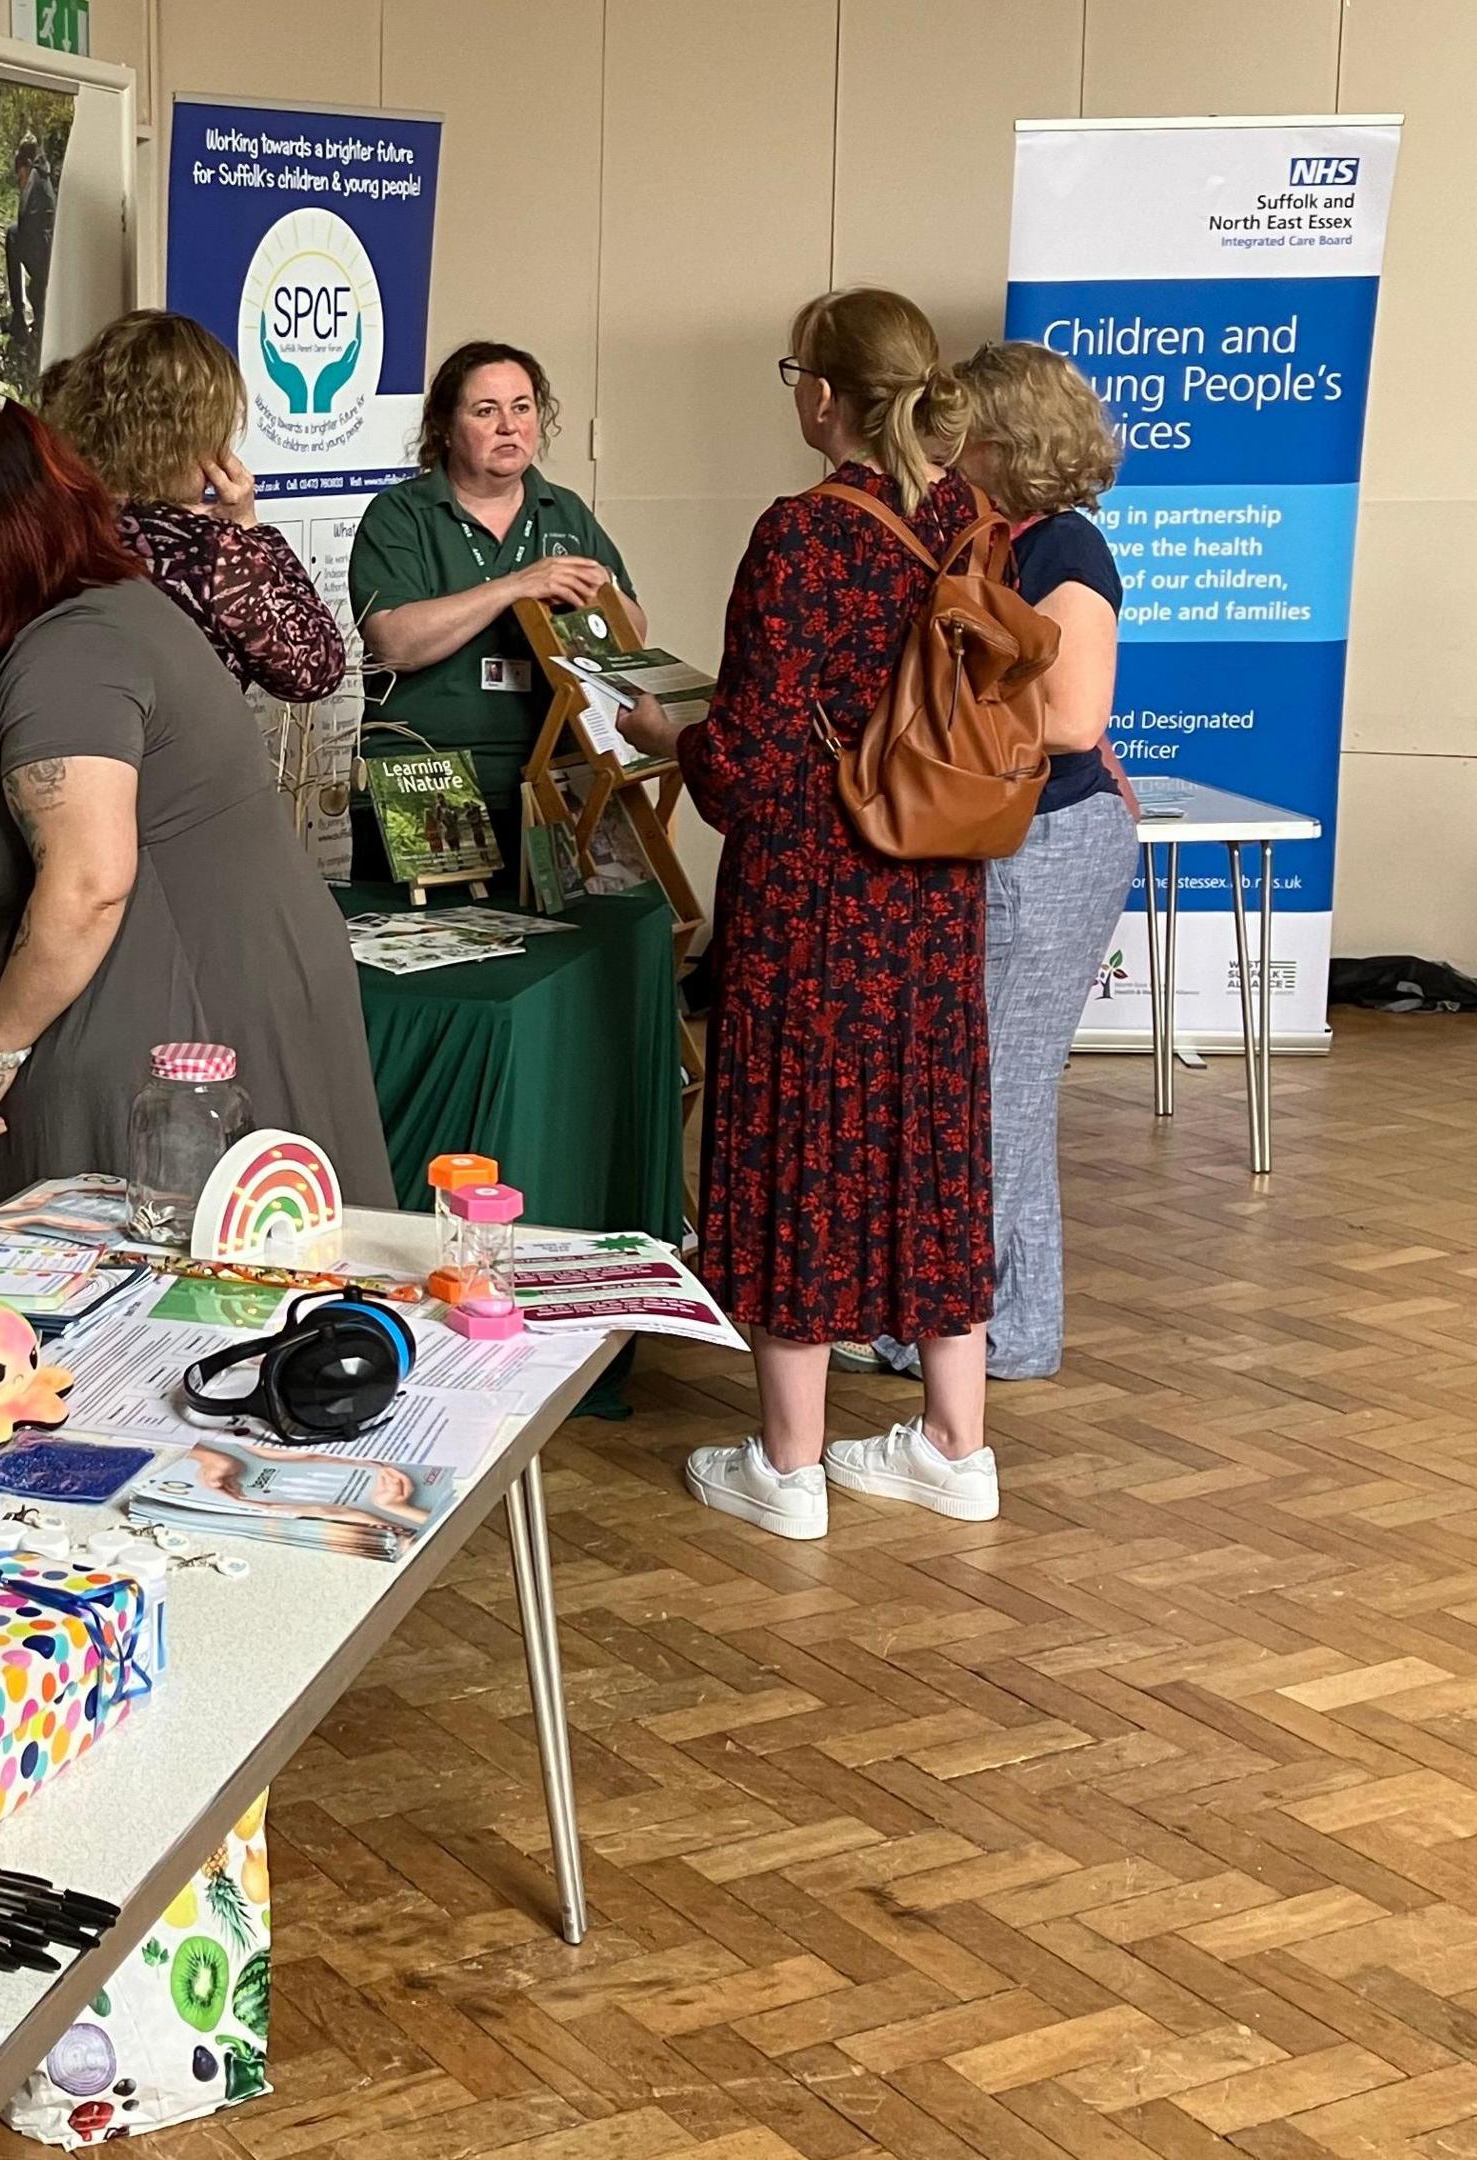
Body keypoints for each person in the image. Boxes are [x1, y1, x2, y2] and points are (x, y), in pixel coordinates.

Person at [0, 387, 392, 1204]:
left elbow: (88, 882)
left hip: (177, 1018)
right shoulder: (37, 618)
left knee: (158, 1280)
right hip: (171, 989)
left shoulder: (73, 653)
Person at [618, 287, 997, 1537]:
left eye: (794, 372)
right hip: (937, 890)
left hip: (818, 902)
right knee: (932, 1138)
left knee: (801, 1144)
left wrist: (680, 738)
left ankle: (789, 1467)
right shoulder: (969, 519)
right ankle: (956, 1447)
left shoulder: (799, 537)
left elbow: (756, 769)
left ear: (825, 396)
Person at [857, 343, 1133, 1384]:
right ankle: (1002, 1326)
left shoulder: (1066, 551)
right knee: (995, 1094)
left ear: (1000, 438)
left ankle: (975, 1332)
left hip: (1051, 846)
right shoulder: (1001, 542)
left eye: (957, 425)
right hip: (1015, 842)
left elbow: (1071, 717)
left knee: (996, 1099)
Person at [349, 341, 644, 810]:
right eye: (486, 411)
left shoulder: (564, 510)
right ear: (445, 426)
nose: (509, 426)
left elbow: (632, 637)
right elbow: (394, 645)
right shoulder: (400, 513)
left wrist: (602, 591)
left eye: (522, 408)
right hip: (425, 767)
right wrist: (516, 586)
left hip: (553, 767)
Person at [44, 309, 346, 705]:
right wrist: (251, 528)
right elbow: (315, 670)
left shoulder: (43, 523)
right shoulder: (209, 552)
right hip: (179, 761)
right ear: (194, 436)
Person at [6, 134, 60, 355]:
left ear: (24, 165)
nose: (19, 180)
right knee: (37, 290)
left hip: (40, 248)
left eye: (19, 175)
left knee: (12, 236)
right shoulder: (44, 175)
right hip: (49, 248)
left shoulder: (33, 179)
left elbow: (23, 215)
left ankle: (18, 317)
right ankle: (38, 325)